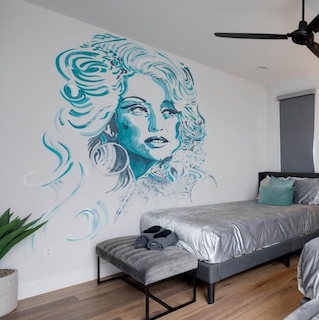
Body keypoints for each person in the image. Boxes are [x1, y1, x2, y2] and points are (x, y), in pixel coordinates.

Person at [29, 33, 210, 240]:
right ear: (110, 122)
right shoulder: (95, 186)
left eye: (168, 112)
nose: (157, 125)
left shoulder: (192, 183)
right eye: (138, 109)